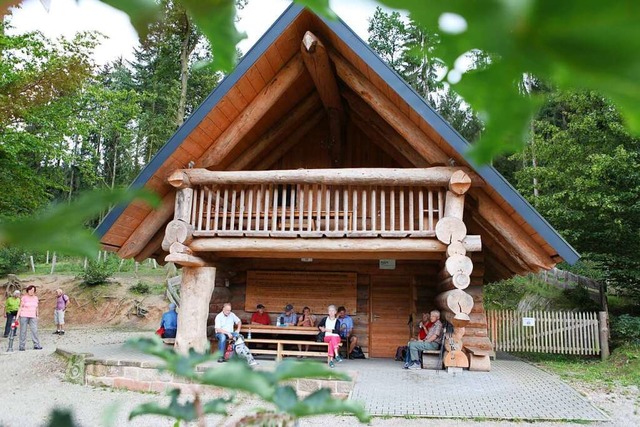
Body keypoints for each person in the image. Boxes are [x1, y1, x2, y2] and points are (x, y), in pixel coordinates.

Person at [16, 285, 42, 351]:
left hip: (33, 316)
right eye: (30, 290)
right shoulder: (24, 298)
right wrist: (17, 316)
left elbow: (37, 307)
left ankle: (36, 345)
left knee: (34, 330)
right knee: (23, 331)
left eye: (33, 290)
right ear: (28, 290)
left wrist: (37, 315)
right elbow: (20, 307)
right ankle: (22, 346)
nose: (31, 291)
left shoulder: (36, 298)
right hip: (24, 315)